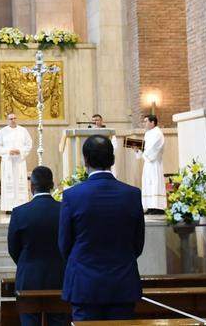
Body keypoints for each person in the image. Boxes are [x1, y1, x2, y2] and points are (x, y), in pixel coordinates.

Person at [60, 135, 144, 321]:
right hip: (122, 283)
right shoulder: (132, 195)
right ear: (112, 160)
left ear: (85, 161)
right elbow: (138, 244)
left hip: (84, 284)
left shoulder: (72, 196)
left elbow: (64, 245)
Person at [8, 166, 68, 326]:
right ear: (52, 185)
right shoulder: (64, 210)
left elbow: (13, 249)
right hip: (60, 277)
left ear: (31, 186)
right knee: (59, 321)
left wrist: (28, 262)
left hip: (29, 279)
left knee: (29, 321)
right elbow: (70, 243)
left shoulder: (20, 212)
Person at [0, 113, 33, 212]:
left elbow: (29, 144)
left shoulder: (23, 131)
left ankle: (22, 206)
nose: (13, 120)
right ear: (8, 120)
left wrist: (20, 151)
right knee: (9, 183)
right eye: (10, 119)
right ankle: (9, 208)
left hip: (19, 161)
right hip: (8, 162)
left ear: (17, 119)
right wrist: (8, 151)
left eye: (14, 118)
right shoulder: (2, 132)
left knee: (20, 182)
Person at [139, 114, 166, 214]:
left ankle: (158, 207)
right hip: (148, 163)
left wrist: (142, 150)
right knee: (147, 184)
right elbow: (144, 147)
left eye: (146, 121)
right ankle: (150, 206)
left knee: (155, 183)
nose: (144, 124)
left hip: (154, 163)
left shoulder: (157, 133)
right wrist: (137, 149)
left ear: (152, 122)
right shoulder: (148, 133)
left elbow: (153, 149)